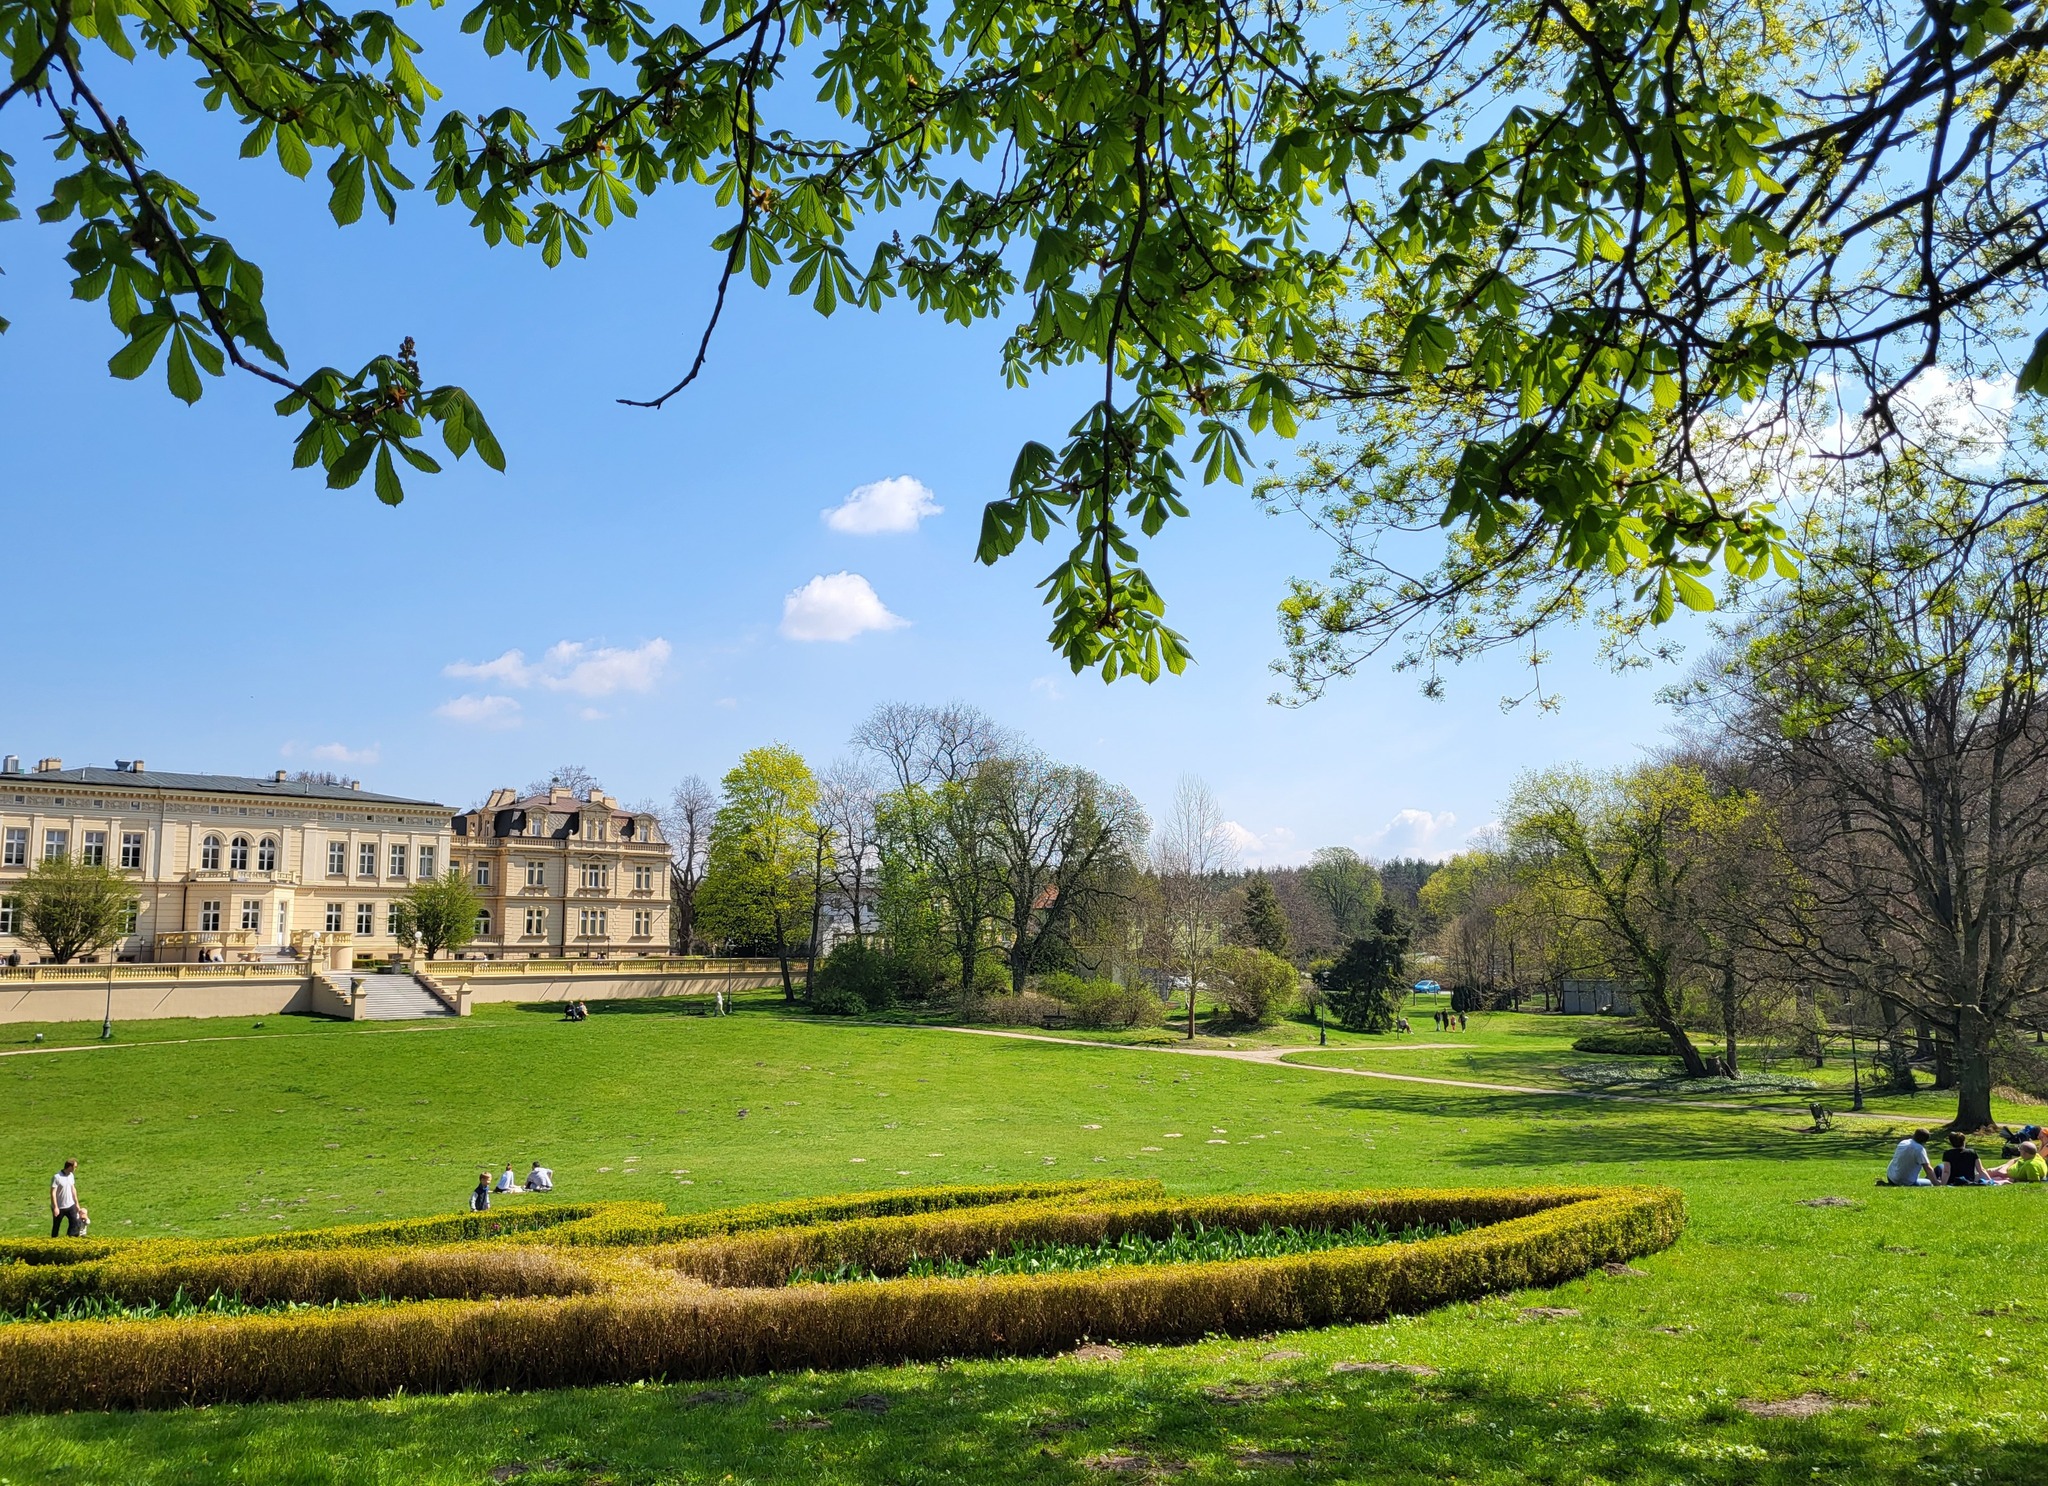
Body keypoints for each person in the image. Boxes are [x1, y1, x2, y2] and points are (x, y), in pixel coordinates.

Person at [50, 1160, 82, 1237]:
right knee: (56, 1225)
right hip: (59, 1206)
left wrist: (77, 1203)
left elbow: (73, 1189)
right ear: (70, 1167)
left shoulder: (71, 1176)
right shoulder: (57, 1177)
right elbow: (53, 1193)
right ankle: (53, 1242)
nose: (75, 1169)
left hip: (70, 1205)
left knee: (75, 1222)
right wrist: (56, 1207)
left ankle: (70, 1239)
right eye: (75, 1167)